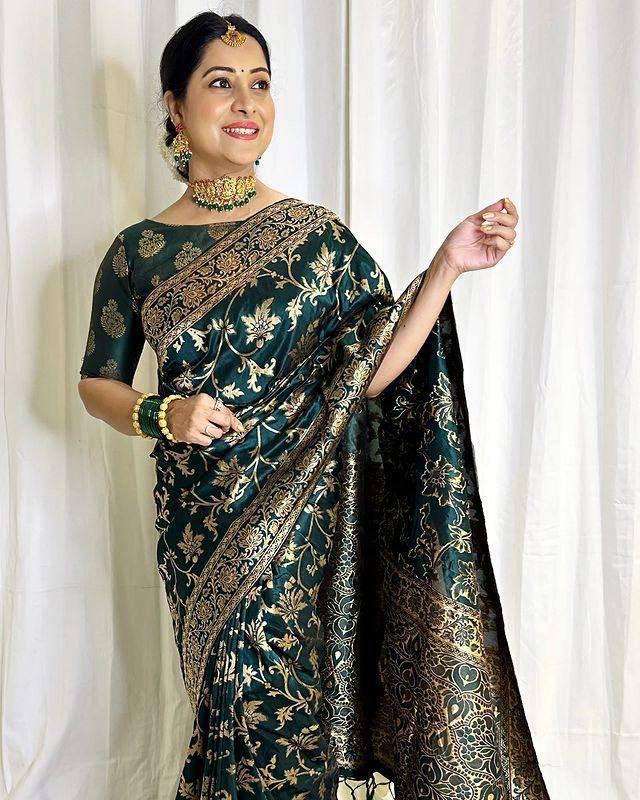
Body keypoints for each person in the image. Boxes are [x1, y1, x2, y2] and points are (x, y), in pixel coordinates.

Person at [77, 11, 550, 800]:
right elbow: (97, 383)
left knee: (307, 718)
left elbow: (370, 373)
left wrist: (445, 267)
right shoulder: (138, 251)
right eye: (221, 83)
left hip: (311, 529)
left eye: (260, 84)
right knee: (227, 713)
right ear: (175, 106)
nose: (246, 103)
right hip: (202, 528)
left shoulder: (317, 239)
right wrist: (163, 413)